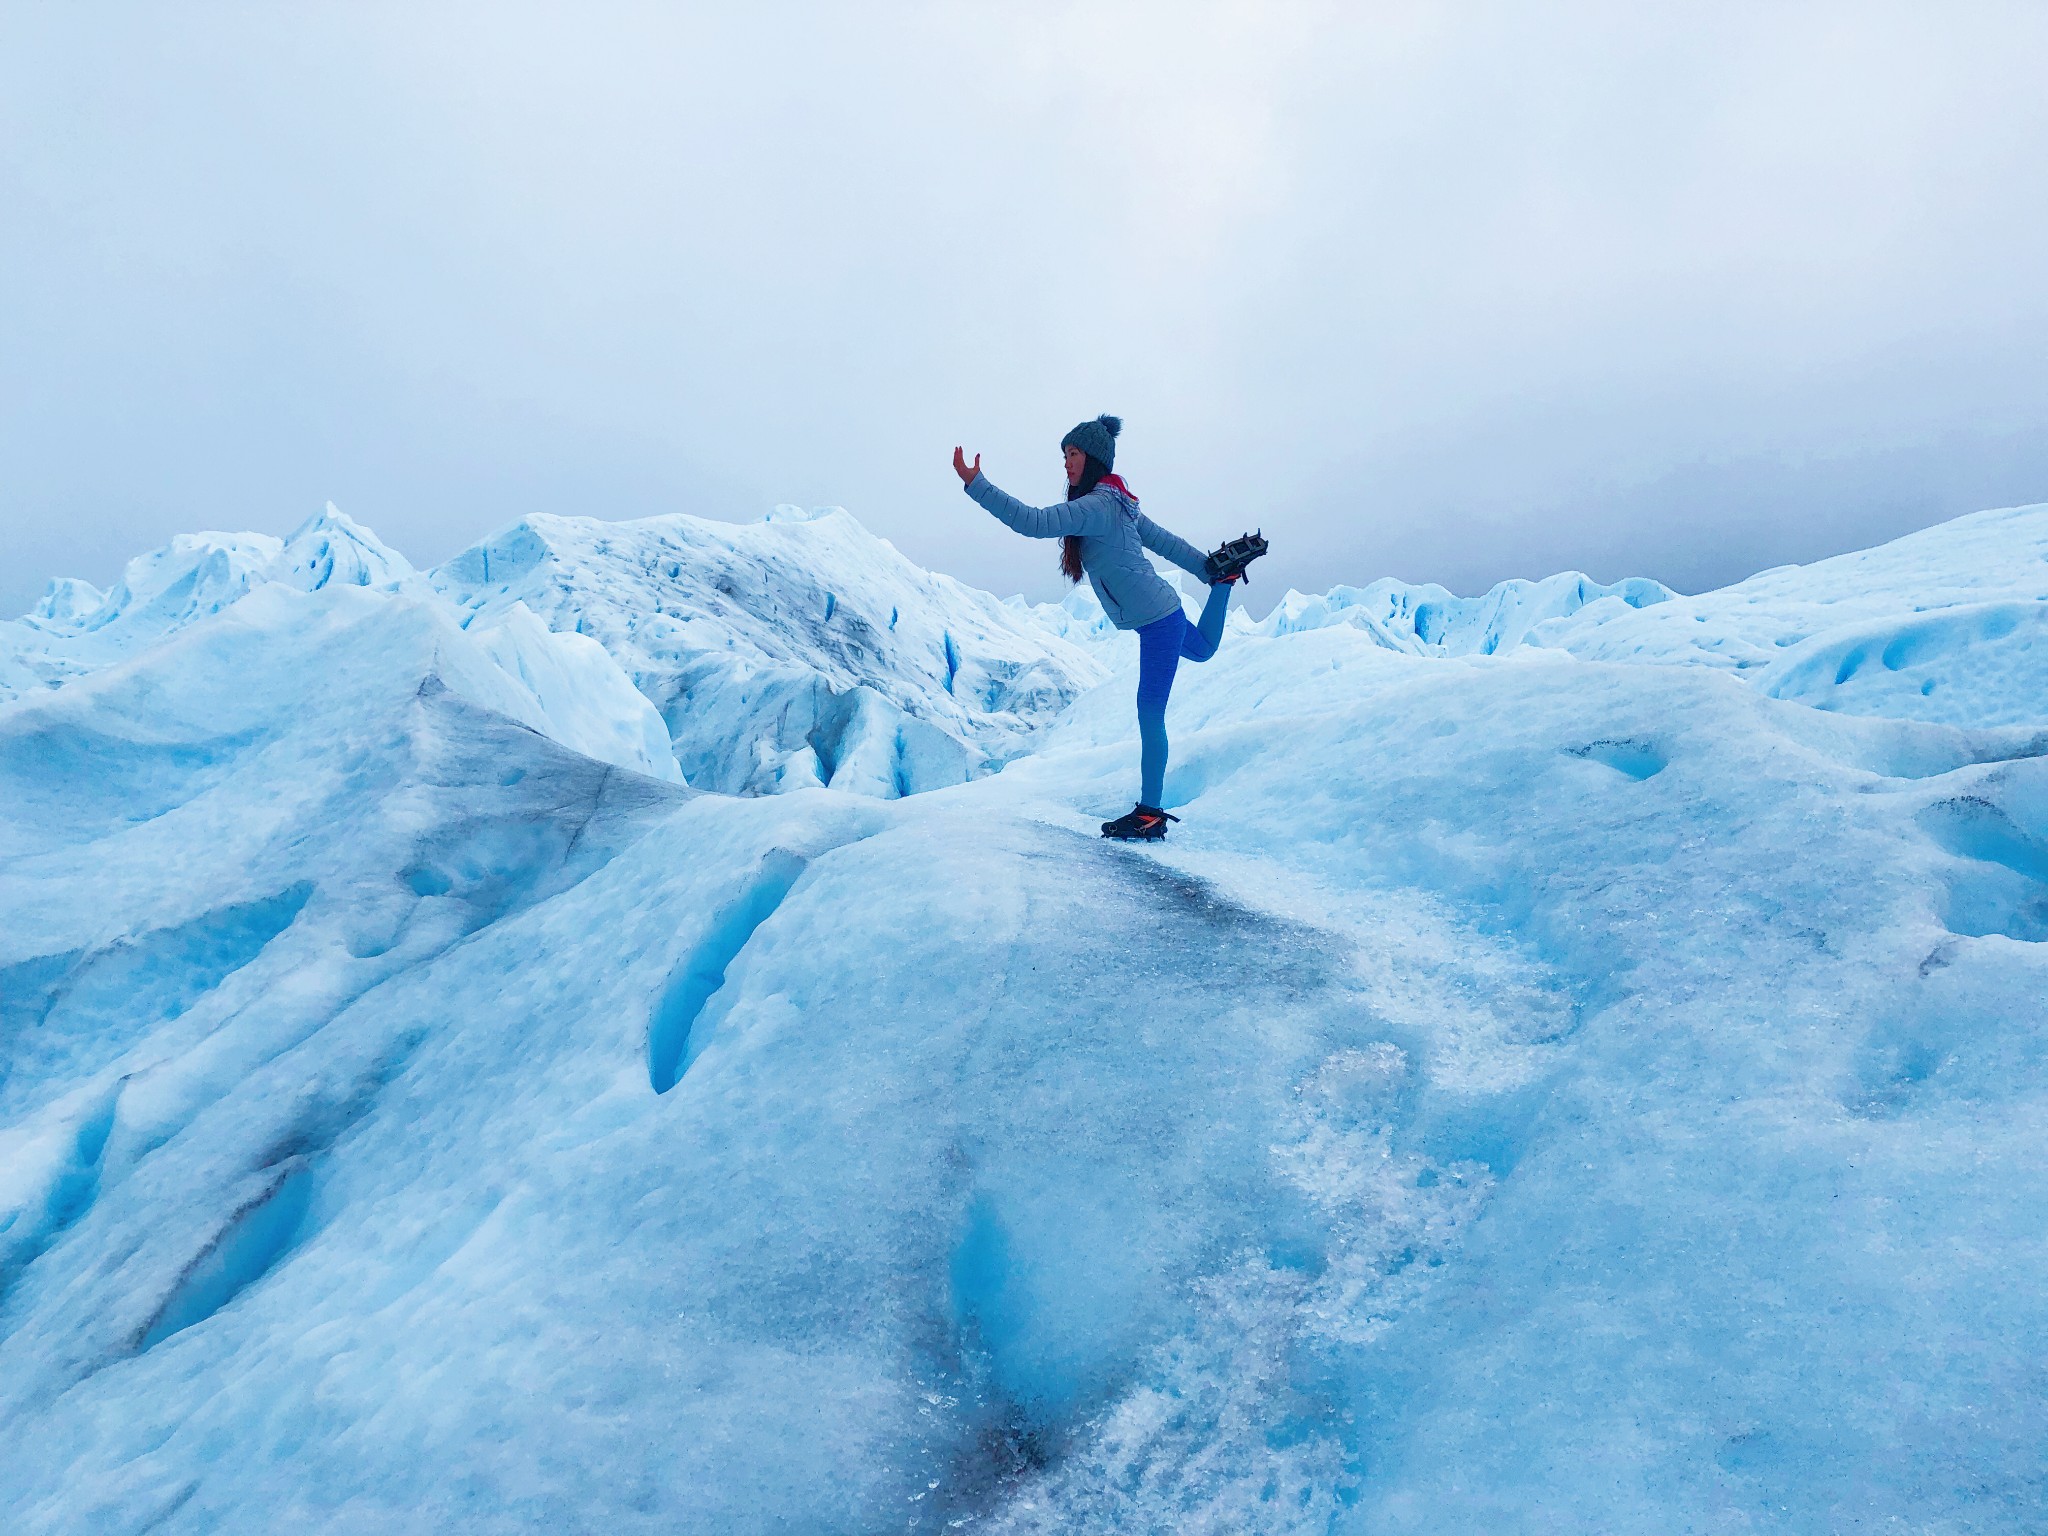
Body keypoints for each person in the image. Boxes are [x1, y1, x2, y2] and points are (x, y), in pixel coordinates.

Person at [952, 414, 1266, 840]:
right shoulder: (1118, 505)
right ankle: (1225, 582)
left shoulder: (1100, 507)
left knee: (1149, 712)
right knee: (1205, 649)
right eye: (1064, 456)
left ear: (1094, 458)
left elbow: (1032, 521)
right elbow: (1168, 543)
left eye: (1073, 454)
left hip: (1157, 620)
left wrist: (977, 485)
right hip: (1160, 615)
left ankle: (1150, 813)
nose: (1066, 464)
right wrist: (1211, 571)